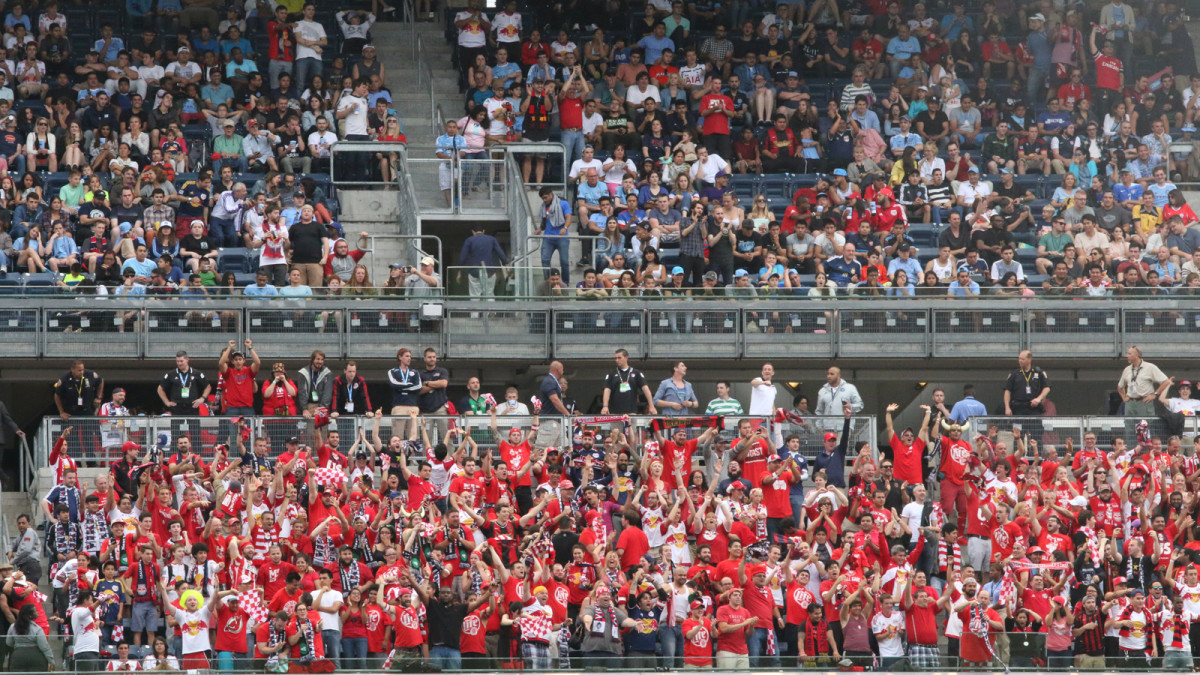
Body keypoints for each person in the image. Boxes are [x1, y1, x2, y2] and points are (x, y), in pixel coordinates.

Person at [1117, 345, 1170, 417]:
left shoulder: (1150, 367)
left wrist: (1155, 394)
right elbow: (1120, 387)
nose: (1127, 356)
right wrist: (1124, 397)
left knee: (1145, 426)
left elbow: (1166, 382)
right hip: (1130, 403)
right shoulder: (1127, 369)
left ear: (1136, 355)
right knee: (1129, 426)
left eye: (1129, 354)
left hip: (1144, 402)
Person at [1003, 350, 1051, 416]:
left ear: (1029, 359)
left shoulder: (1038, 372)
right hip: (1018, 409)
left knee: (1034, 425)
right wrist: (1007, 408)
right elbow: (1007, 390)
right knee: (1017, 426)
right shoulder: (1015, 373)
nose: (1020, 361)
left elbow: (1047, 387)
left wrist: (1038, 399)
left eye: (1022, 359)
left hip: (1034, 408)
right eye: (1019, 358)